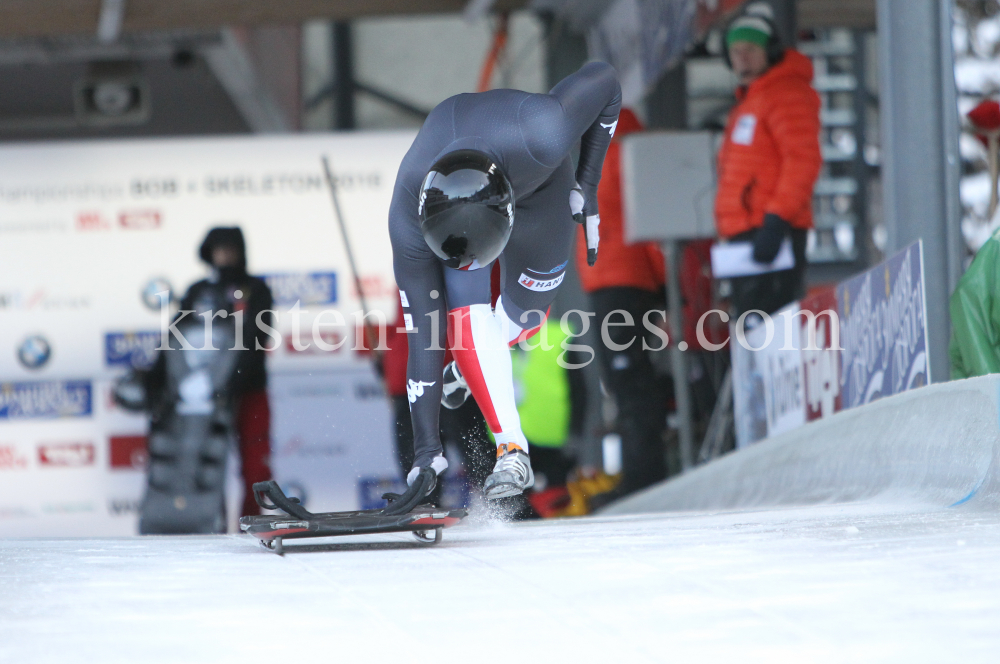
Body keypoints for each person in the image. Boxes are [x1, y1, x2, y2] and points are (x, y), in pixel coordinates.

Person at [389, 61, 621, 501]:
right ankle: (513, 449)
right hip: (470, 198)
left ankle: (468, 369)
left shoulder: (545, 133)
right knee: (464, 320)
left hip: (543, 191)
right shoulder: (407, 223)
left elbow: (606, 82)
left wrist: (588, 183)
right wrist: (426, 454)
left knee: (523, 321)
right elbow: (424, 336)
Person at [570, 108, 671, 507]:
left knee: (628, 381)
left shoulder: (619, 158)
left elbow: (648, 224)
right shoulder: (605, 158)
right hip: (615, 283)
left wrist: (662, 284)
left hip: (621, 284)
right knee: (626, 379)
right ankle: (641, 472)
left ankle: (643, 475)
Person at [716, 2, 821, 317]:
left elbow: (803, 160)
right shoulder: (752, 99)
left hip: (771, 231)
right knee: (753, 337)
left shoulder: (785, 93)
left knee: (768, 336)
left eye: (750, 48)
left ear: (771, 51)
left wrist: (776, 220)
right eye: (736, 51)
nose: (742, 57)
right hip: (746, 235)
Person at [179, 226, 274, 517]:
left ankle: (251, 524)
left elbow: (258, 340)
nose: (225, 254)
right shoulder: (198, 292)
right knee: (207, 467)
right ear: (209, 252)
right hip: (208, 397)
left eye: (231, 248)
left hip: (250, 391)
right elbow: (176, 339)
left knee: (256, 466)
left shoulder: (257, 289)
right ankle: (211, 526)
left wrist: (232, 379)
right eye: (219, 248)